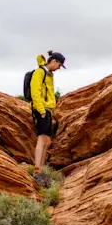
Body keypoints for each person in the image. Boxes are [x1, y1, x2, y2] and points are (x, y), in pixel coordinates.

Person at [30, 50, 65, 184]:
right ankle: (37, 172)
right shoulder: (39, 72)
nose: (59, 68)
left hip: (47, 109)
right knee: (42, 139)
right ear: (54, 61)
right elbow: (35, 92)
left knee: (48, 141)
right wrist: (41, 111)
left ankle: (41, 170)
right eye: (59, 65)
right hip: (42, 109)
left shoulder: (49, 74)